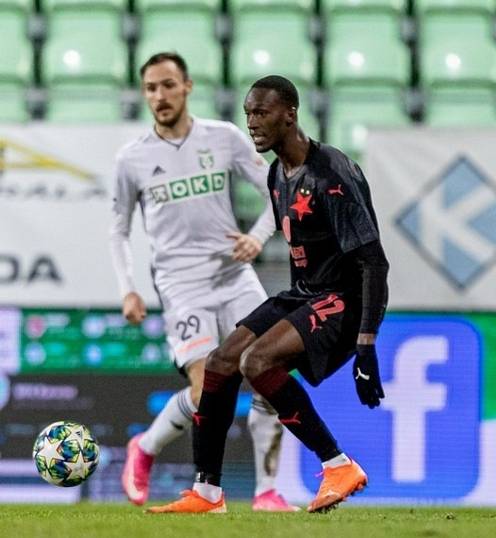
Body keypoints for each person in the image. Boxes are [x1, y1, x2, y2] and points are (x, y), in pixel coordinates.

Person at [147, 75, 390, 515]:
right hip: (304, 293)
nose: (252, 123)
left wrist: (366, 343)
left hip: (343, 300)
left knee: (256, 362)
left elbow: (374, 263)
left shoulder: (332, 174)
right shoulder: (278, 174)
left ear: (290, 114)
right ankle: (207, 492)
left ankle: (338, 465)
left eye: (261, 113)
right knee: (221, 363)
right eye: (247, 114)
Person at [110, 53, 296, 512]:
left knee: (270, 371)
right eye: (151, 88)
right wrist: (127, 289)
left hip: (234, 276)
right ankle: (146, 448)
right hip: (181, 284)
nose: (160, 96)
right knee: (205, 388)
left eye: (168, 85)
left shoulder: (224, 137)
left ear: (187, 86)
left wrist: (257, 238)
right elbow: (117, 228)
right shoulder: (132, 158)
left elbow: (278, 189)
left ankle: (267, 491)